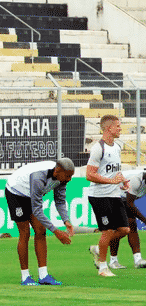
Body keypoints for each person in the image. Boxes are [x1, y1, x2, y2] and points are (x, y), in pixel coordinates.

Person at [4, 158, 75, 286]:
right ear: (58, 170)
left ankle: (43, 276)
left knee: (41, 230)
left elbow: (60, 201)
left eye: (71, 176)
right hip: (16, 192)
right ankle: (25, 277)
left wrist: (66, 221)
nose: (70, 179)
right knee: (25, 233)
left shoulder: (62, 178)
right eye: (68, 176)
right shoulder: (39, 177)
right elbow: (37, 210)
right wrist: (56, 231)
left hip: (30, 194)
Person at [86, 114, 131, 277]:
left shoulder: (117, 147)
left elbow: (114, 170)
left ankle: (99, 248)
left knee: (124, 229)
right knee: (107, 231)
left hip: (114, 194)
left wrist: (122, 181)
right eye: (117, 126)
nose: (120, 129)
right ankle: (103, 268)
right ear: (108, 128)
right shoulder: (98, 148)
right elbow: (89, 175)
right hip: (100, 196)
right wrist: (111, 181)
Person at [104, 162, 146, 270]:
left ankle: (137, 260)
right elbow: (129, 204)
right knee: (123, 228)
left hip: (123, 199)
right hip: (111, 196)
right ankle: (111, 259)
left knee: (132, 225)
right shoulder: (136, 180)